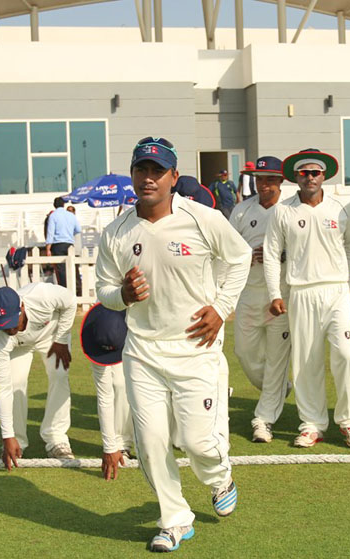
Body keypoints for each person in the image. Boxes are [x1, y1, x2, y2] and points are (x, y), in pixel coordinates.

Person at [95, 136, 251, 553]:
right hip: (143, 352)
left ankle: (219, 478)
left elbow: (239, 257)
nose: (149, 178)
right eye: (141, 170)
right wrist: (122, 296)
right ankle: (174, 520)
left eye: (157, 171)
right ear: (132, 175)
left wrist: (221, 307)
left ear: (173, 177)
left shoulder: (202, 217)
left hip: (194, 349)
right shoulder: (117, 233)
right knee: (150, 443)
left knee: (199, 443)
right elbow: (104, 290)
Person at [263, 148, 350, 449]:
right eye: (305, 173)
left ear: (324, 176)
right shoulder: (283, 211)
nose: (310, 177)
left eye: (316, 173)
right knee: (306, 362)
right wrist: (275, 293)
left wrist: (345, 282)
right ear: (296, 177)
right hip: (300, 291)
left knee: (346, 355)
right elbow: (271, 255)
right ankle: (311, 424)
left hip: (335, 291)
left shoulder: (341, 208)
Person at [229, 156, 292, 443]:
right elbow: (228, 250)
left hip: (282, 296)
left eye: (269, 179)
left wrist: (281, 255)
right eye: (259, 179)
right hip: (248, 294)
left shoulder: (291, 211)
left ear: (281, 181)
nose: (263, 185)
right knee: (245, 353)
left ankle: (263, 420)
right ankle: (278, 388)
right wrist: (248, 254)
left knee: (277, 359)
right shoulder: (242, 211)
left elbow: (303, 250)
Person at [0, 284, 76, 470]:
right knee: (14, 382)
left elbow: (70, 302)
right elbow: (2, 388)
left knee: (59, 375)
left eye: (11, 322)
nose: (8, 330)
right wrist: (7, 436)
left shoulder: (43, 295)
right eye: (1, 324)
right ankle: (16, 441)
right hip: (20, 345)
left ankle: (56, 439)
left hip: (52, 335)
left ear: (22, 308)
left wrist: (61, 338)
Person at [79, 302, 134, 480]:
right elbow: (104, 397)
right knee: (118, 384)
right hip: (119, 323)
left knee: (126, 382)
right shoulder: (97, 331)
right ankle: (122, 442)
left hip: (144, 336)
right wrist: (109, 447)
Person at [45, 197, 81, 288]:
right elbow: (78, 229)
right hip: (69, 244)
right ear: (63, 205)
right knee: (72, 267)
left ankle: (64, 288)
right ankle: (75, 288)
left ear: (54, 205)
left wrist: (48, 248)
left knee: (61, 270)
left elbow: (50, 233)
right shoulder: (71, 215)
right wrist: (69, 233)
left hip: (58, 245)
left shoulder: (53, 216)